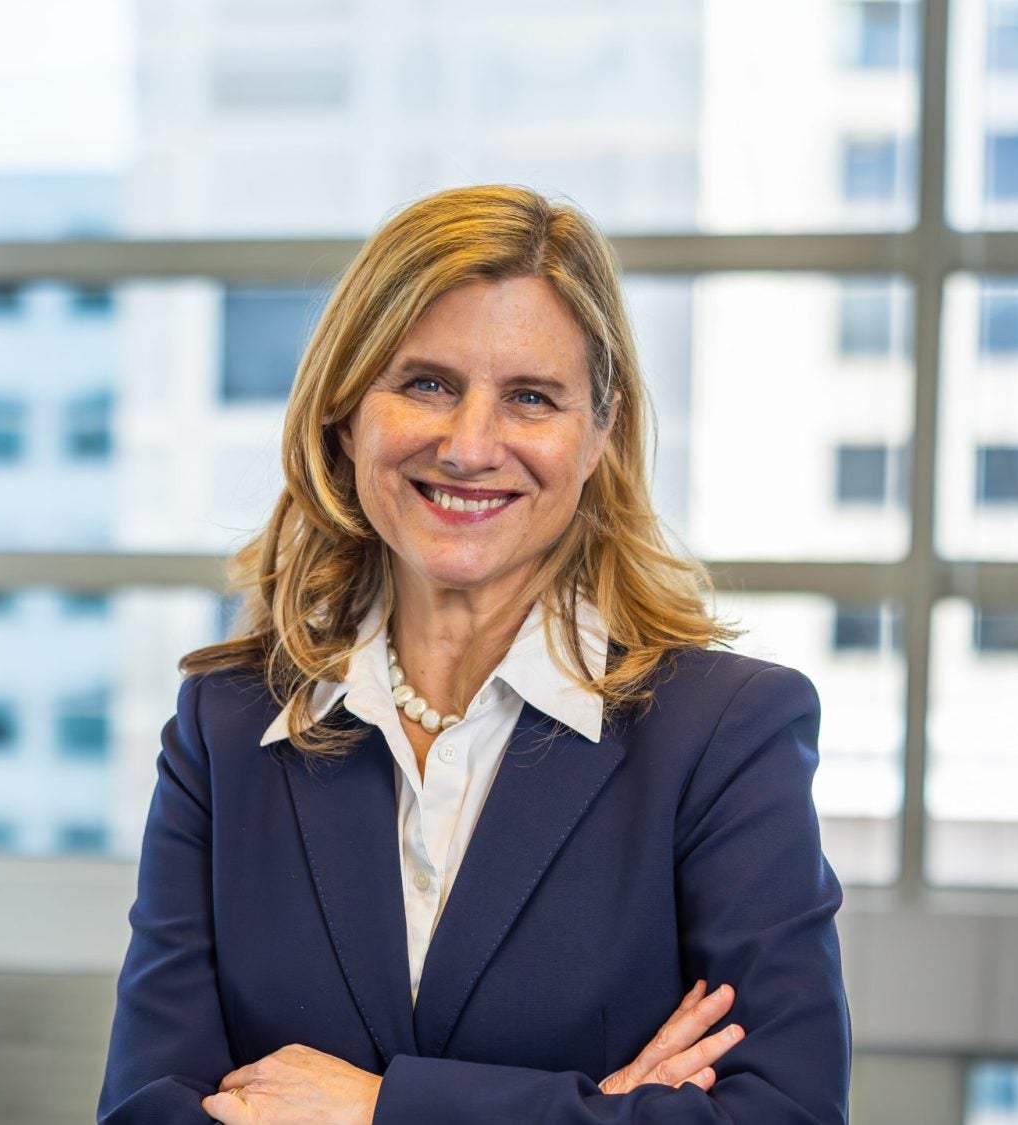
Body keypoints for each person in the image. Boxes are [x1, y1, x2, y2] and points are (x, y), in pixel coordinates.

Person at [97, 184, 851, 1124]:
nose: (469, 445)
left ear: (597, 439)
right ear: (345, 411)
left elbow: (783, 1117)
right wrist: (597, 1109)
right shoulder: (227, 725)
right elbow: (144, 1111)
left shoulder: (724, 733)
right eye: (426, 384)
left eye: (531, 398)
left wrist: (382, 1111)